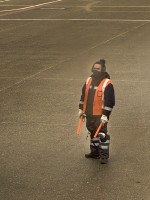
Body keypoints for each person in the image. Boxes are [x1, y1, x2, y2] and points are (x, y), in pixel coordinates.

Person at [78, 59, 115, 164]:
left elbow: (110, 101)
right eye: (94, 68)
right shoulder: (88, 80)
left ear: (102, 69)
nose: (95, 70)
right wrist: (81, 109)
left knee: (102, 135)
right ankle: (95, 153)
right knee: (93, 133)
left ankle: (104, 156)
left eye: (98, 68)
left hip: (100, 115)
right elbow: (83, 95)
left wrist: (105, 115)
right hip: (89, 114)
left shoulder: (107, 83)